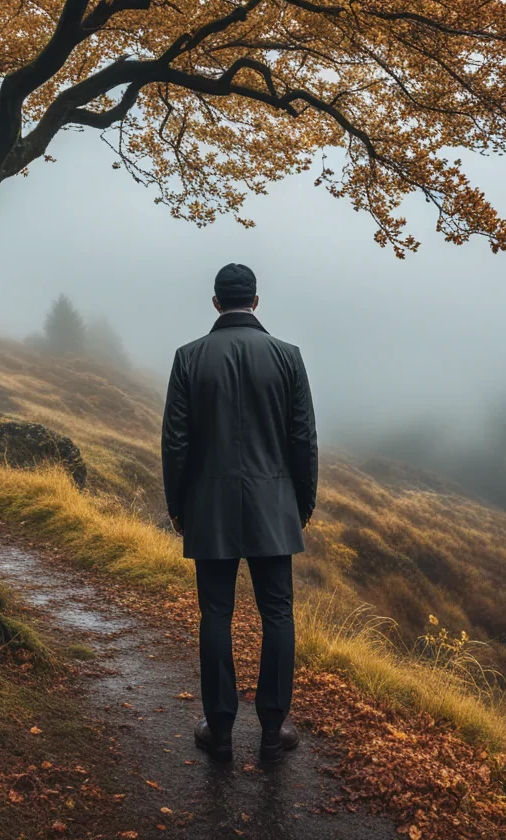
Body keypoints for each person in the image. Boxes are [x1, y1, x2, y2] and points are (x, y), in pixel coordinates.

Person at [161, 263, 319, 764]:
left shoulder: (189, 358)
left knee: (215, 614)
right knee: (278, 614)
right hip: (276, 507)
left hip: (208, 507)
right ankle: (273, 732)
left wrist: (178, 507)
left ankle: (221, 730)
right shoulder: (288, 357)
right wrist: (302, 505)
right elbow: (303, 440)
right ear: (255, 300)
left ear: (215, 302)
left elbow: (176, 443)